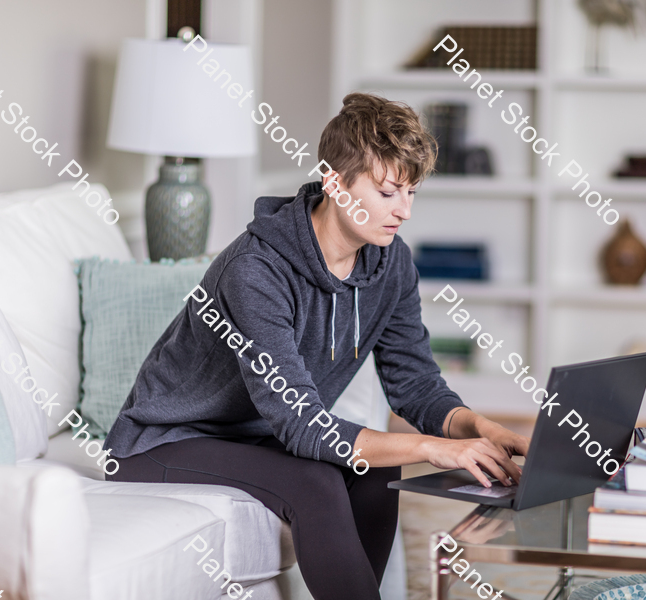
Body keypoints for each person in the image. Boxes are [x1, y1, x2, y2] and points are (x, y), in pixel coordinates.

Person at [104, 92, 530, 600]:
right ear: (334, 182)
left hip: (257, 435)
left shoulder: (390, 262)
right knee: (318, 483)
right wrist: (433, 448)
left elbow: (415, 385)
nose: (404, 212)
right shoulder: (255, 271)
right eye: (389, 192)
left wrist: (478, 427)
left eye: (412, 193)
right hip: (163, 441)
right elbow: (301, 424)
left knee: (378, 471)